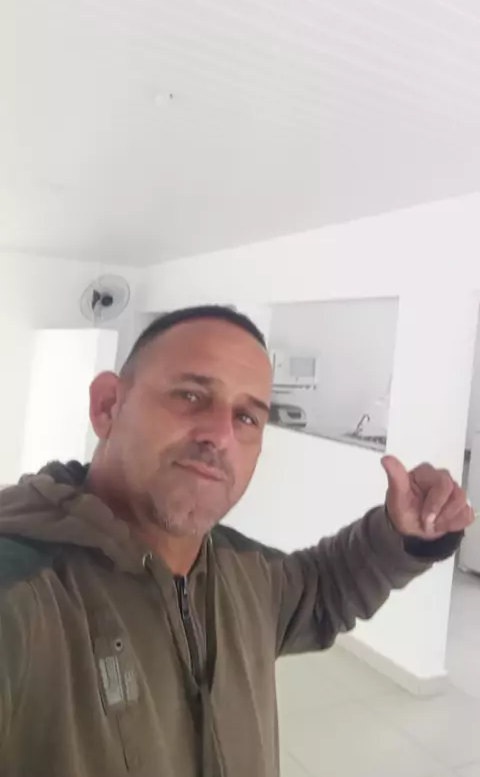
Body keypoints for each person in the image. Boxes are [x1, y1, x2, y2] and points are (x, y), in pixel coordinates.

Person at [0, 305, 473, 777]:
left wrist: (402, 533)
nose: (221, 435)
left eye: (247, 417)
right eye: (190, 395)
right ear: (108, 406)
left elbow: (324, 587)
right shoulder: (20, 591)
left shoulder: (244, 570)